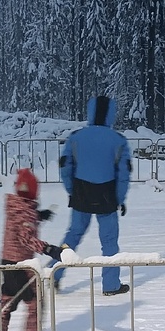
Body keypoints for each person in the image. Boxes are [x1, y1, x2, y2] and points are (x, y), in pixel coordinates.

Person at [0, 167, 66, 331]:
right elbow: (26, 238)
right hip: (21, 264)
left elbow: (22, 222)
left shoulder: (17, 206)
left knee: (7, 299)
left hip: (7, 260)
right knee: (35, 301)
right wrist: (48, 249)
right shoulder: (26, 213)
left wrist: (39, 216)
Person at [55, 95, 131, 296]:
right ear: (111, 114)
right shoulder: (119, 140)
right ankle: (111, 284)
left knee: (73, 235)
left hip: (81, 193)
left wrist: (73, 190)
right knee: (109, 240)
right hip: (107, 196)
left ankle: (52, 274)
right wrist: (120, 199)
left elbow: (65, 167)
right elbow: (123, 174)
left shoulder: (76, 137)